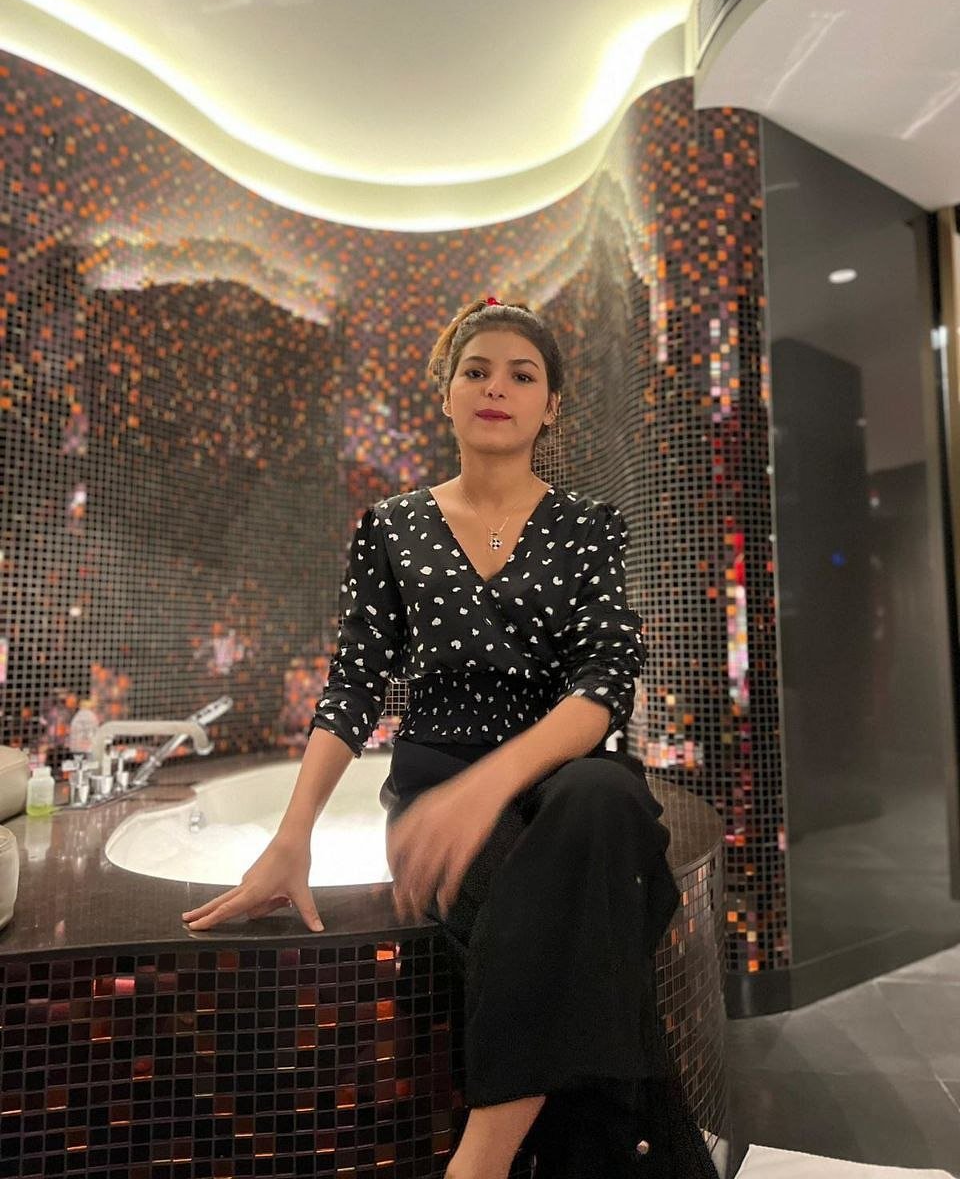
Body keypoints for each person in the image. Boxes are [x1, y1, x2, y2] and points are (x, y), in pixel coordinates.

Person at [183, 298, 717, 1179]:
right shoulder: (391, 527)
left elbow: (603, 688)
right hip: (436, 788)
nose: (496, 387)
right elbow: (353, 687)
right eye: (477, 371)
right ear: (447, 394)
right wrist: (292, 834)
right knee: (594, 868)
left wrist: (488, 786)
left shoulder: (590, 526)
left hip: (560, 781)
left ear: (551, 406)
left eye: (522, 374)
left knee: (602, 795)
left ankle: (479, 1161)